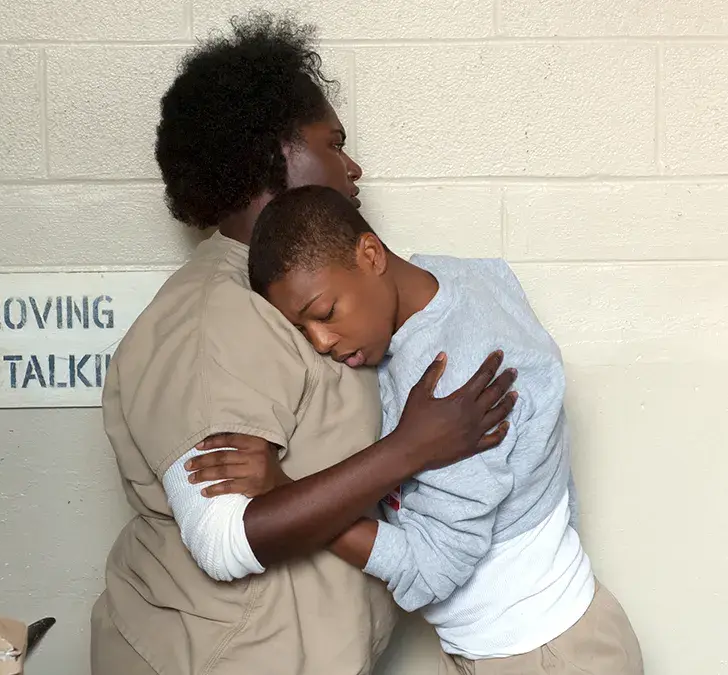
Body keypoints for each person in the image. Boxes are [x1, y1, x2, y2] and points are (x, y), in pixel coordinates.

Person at [89, 13, 518, 675]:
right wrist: (411, 448)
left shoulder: (278, 296)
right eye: (333, 142)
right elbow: (226, 538)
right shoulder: (212, 315)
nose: (353, 167)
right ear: (275, 151)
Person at [231, 184, 644, 675]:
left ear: (370, 255)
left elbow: (432, 569)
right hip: (508, 640)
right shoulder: (457, 277)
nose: (321, 341)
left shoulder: (457, 384)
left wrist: (290, 498)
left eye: (324, 314)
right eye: (301, 331)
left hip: (545, 651)